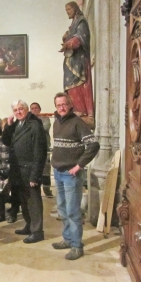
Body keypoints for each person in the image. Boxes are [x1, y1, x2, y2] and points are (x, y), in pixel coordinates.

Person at [51, 92, 99, 260]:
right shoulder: (56, 122)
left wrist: (79, 165)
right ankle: (68, 239)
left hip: (71, 175)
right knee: (62, 210)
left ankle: (77, 246)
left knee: (73, 212)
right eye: (58, 105)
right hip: (58, 172)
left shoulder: (78, 123)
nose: (61, 107)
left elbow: (93, 145)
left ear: (70, 105)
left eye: (64, 104)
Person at [2, 100, 47, 244]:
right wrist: (8, 126)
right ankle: (29, 225)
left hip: (29, 170)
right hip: (18, 170)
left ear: (27, 110)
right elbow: (6, 141)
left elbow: (40, 152)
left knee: (33, 202)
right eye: (15, 110)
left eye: (21, 109)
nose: (18, 112)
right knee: (24, 201)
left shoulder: (34, 125)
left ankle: (37, 231)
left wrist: (35, 175)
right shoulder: (17, 124)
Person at [59, 1, 94, 123]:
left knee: (77, 82)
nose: (67, 12)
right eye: (66, 10)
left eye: (69, 9)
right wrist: (65, 37)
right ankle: (74, 108)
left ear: (75, 8)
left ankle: (81, 110)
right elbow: (70, 36)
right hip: (71, 59)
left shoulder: (81, 22)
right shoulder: (73, 24)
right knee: (69, 83)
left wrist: (69, 43)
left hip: (79, 59)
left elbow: (80, 38)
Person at [30, 102, 53, 198]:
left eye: (36, 108)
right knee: (35, 169)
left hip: (45, 148)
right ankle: (36, 190)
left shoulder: (45, 118)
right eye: (32, 108)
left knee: (46, 169)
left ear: (39, 109)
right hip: (32, 149)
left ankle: (47, 189)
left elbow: (45, 127)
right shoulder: (29, 120)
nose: (34, 110)